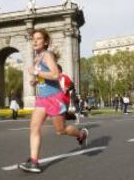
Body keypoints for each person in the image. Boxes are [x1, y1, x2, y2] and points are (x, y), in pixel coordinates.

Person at [18, 29, 88, 173]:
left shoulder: (47, 55)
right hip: (42, 99)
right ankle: (34, 161)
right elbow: (45, 77)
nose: (35, 41)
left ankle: (81, 135)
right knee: (34, 127)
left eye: (38, 38)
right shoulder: (37, 58)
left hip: (54, 98)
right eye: (33, 39)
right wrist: (36, 81)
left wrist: (36, 72)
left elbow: (56, 74)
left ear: (45, 42)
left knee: (60, 130)